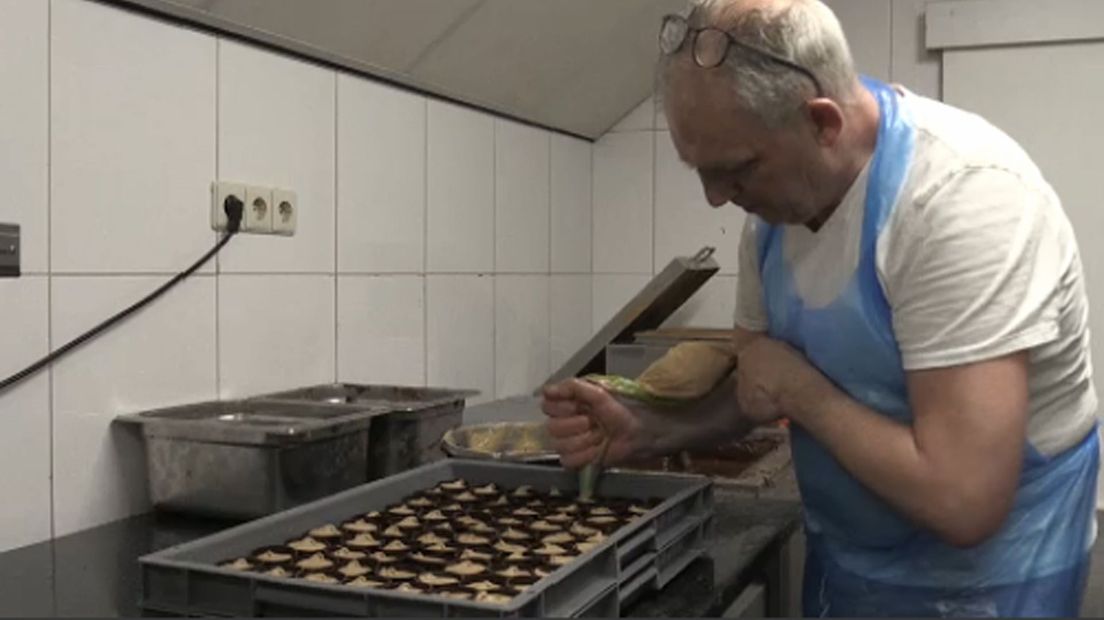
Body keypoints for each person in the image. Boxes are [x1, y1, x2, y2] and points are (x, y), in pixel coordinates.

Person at [541, 0, 1099, 616]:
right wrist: (653, 429)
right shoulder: (773, 218)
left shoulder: (958, 202)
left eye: (735, 169)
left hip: (988, 582)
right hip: (852, 565)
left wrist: (799, 388)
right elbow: (759, 386)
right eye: (699, 171)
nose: (715, 198)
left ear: (822, 123)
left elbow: (963, 500)